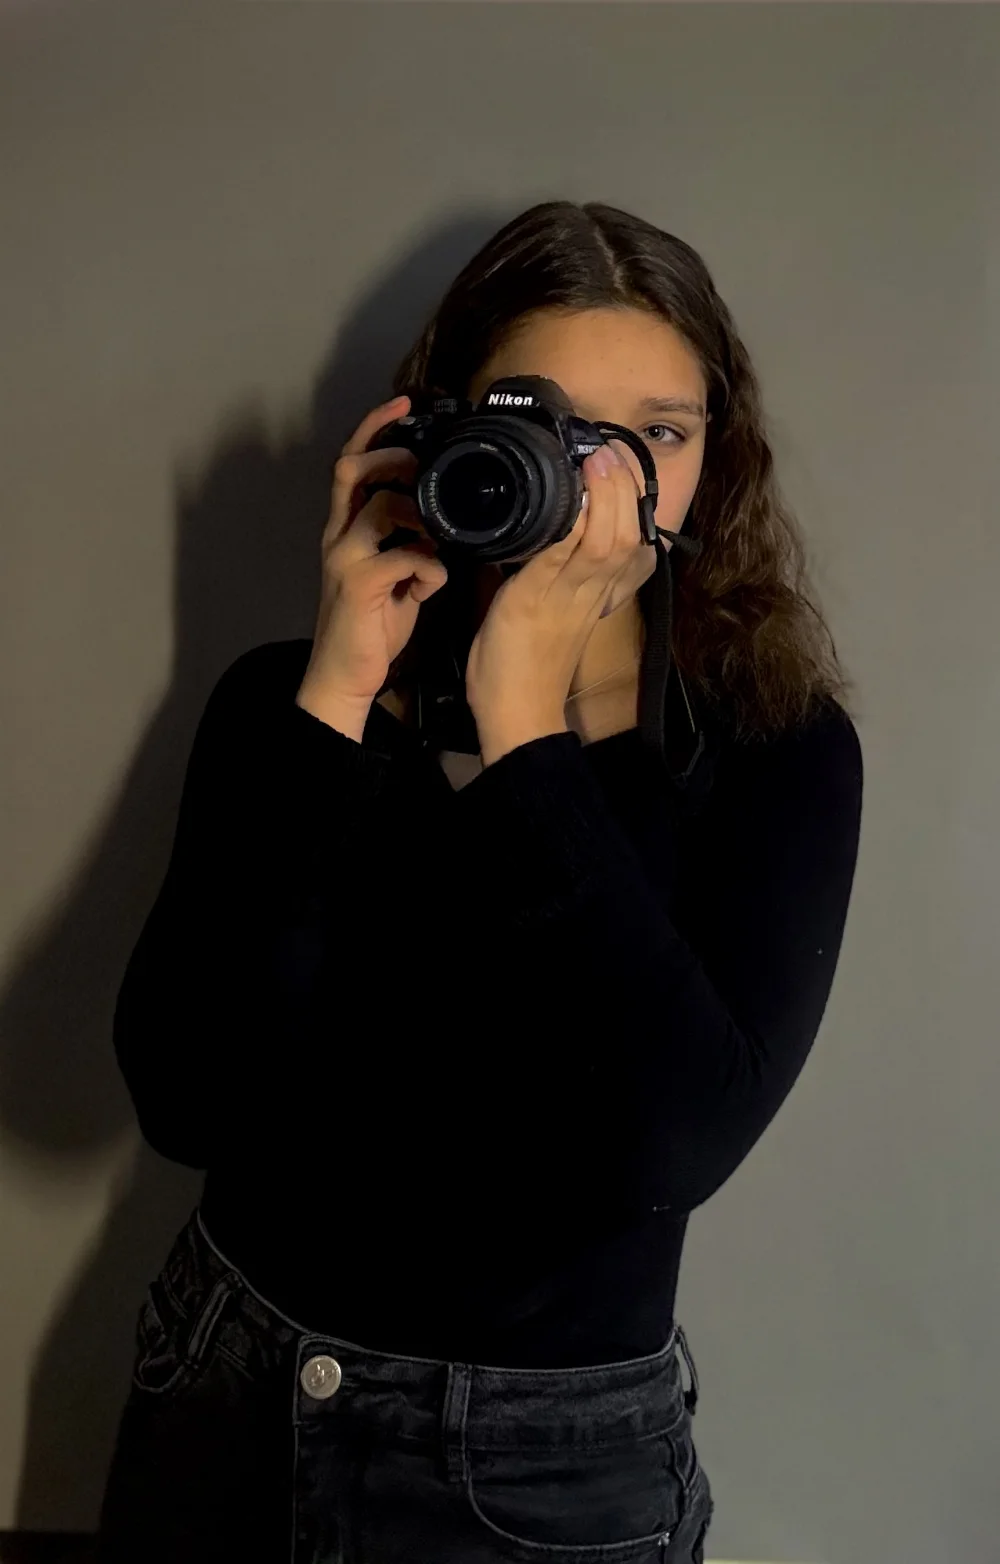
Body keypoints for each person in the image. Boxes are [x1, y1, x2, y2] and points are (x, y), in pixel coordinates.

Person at [97, 200, 864, 1564]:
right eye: (552, 423)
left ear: (717, 456)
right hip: (226, 1387)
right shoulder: (294, 701)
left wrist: (522, 729)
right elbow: (187, 1096)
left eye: (658, 434)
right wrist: (335, 695)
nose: (604, 482)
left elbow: (671, 1150)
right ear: (446, 423)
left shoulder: (771, 751)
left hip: (536, 1467)